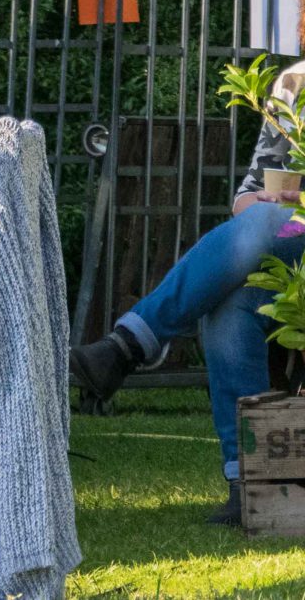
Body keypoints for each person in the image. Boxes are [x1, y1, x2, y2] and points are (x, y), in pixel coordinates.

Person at [72, 57, 305, 524]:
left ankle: (129, 344)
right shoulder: (294, 83)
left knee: (266, 226)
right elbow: (246, 197)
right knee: (231, 302)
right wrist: (267, 201)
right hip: (291, 250)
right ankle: (249, 483)